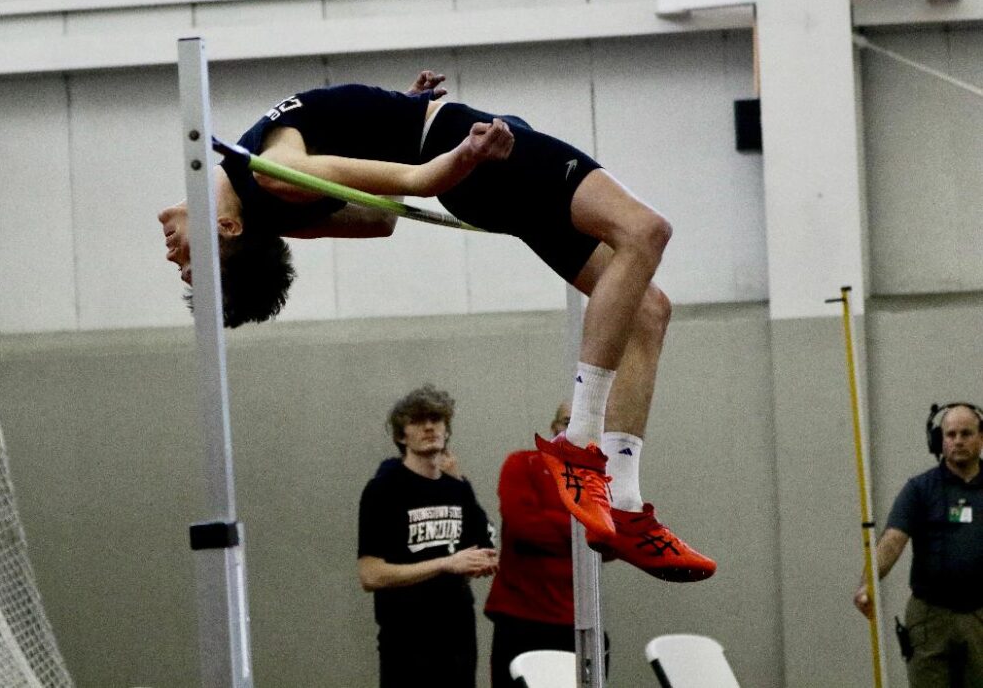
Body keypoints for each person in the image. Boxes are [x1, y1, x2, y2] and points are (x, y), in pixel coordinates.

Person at [157, 71, 715, 581]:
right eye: (189, 263)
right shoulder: (272, 175)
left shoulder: (280, 212)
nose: (172, 256)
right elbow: (415, 178)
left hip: (468, 172)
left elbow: (379, 218)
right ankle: (580, 442)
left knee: (648, 311)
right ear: (226, 228)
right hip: (467, 151)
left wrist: (391, 117)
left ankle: (623, 504)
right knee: (646, 231)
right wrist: (459, 151)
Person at [357, 384, 498, 688]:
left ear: (447, 431)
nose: (430, 426)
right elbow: (370, 575)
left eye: (436, 419)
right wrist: (446, 564)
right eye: (418, 420)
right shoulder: (383, 490)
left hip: (458, 637)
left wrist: (482, 561)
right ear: (400, 435)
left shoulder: (457, 487)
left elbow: (486, 546)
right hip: (407, 643)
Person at [853, 403, 983, 687]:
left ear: (981, 437)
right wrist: (869, 583)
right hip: (931, 619)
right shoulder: (920, 490)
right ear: (939, 440)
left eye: (966, 433)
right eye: (950, 434)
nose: (958, 441)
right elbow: (892, 541)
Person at [484, 402, 610, 688]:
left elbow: (608, 541)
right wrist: (579, 522)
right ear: (554, 428)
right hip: (520, 618)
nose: (575, 431)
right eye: (568, 422)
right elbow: (523, 525)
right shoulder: (522, 463)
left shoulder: (599, 481)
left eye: (585, 425)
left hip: (579, 622)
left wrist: (558, 520)